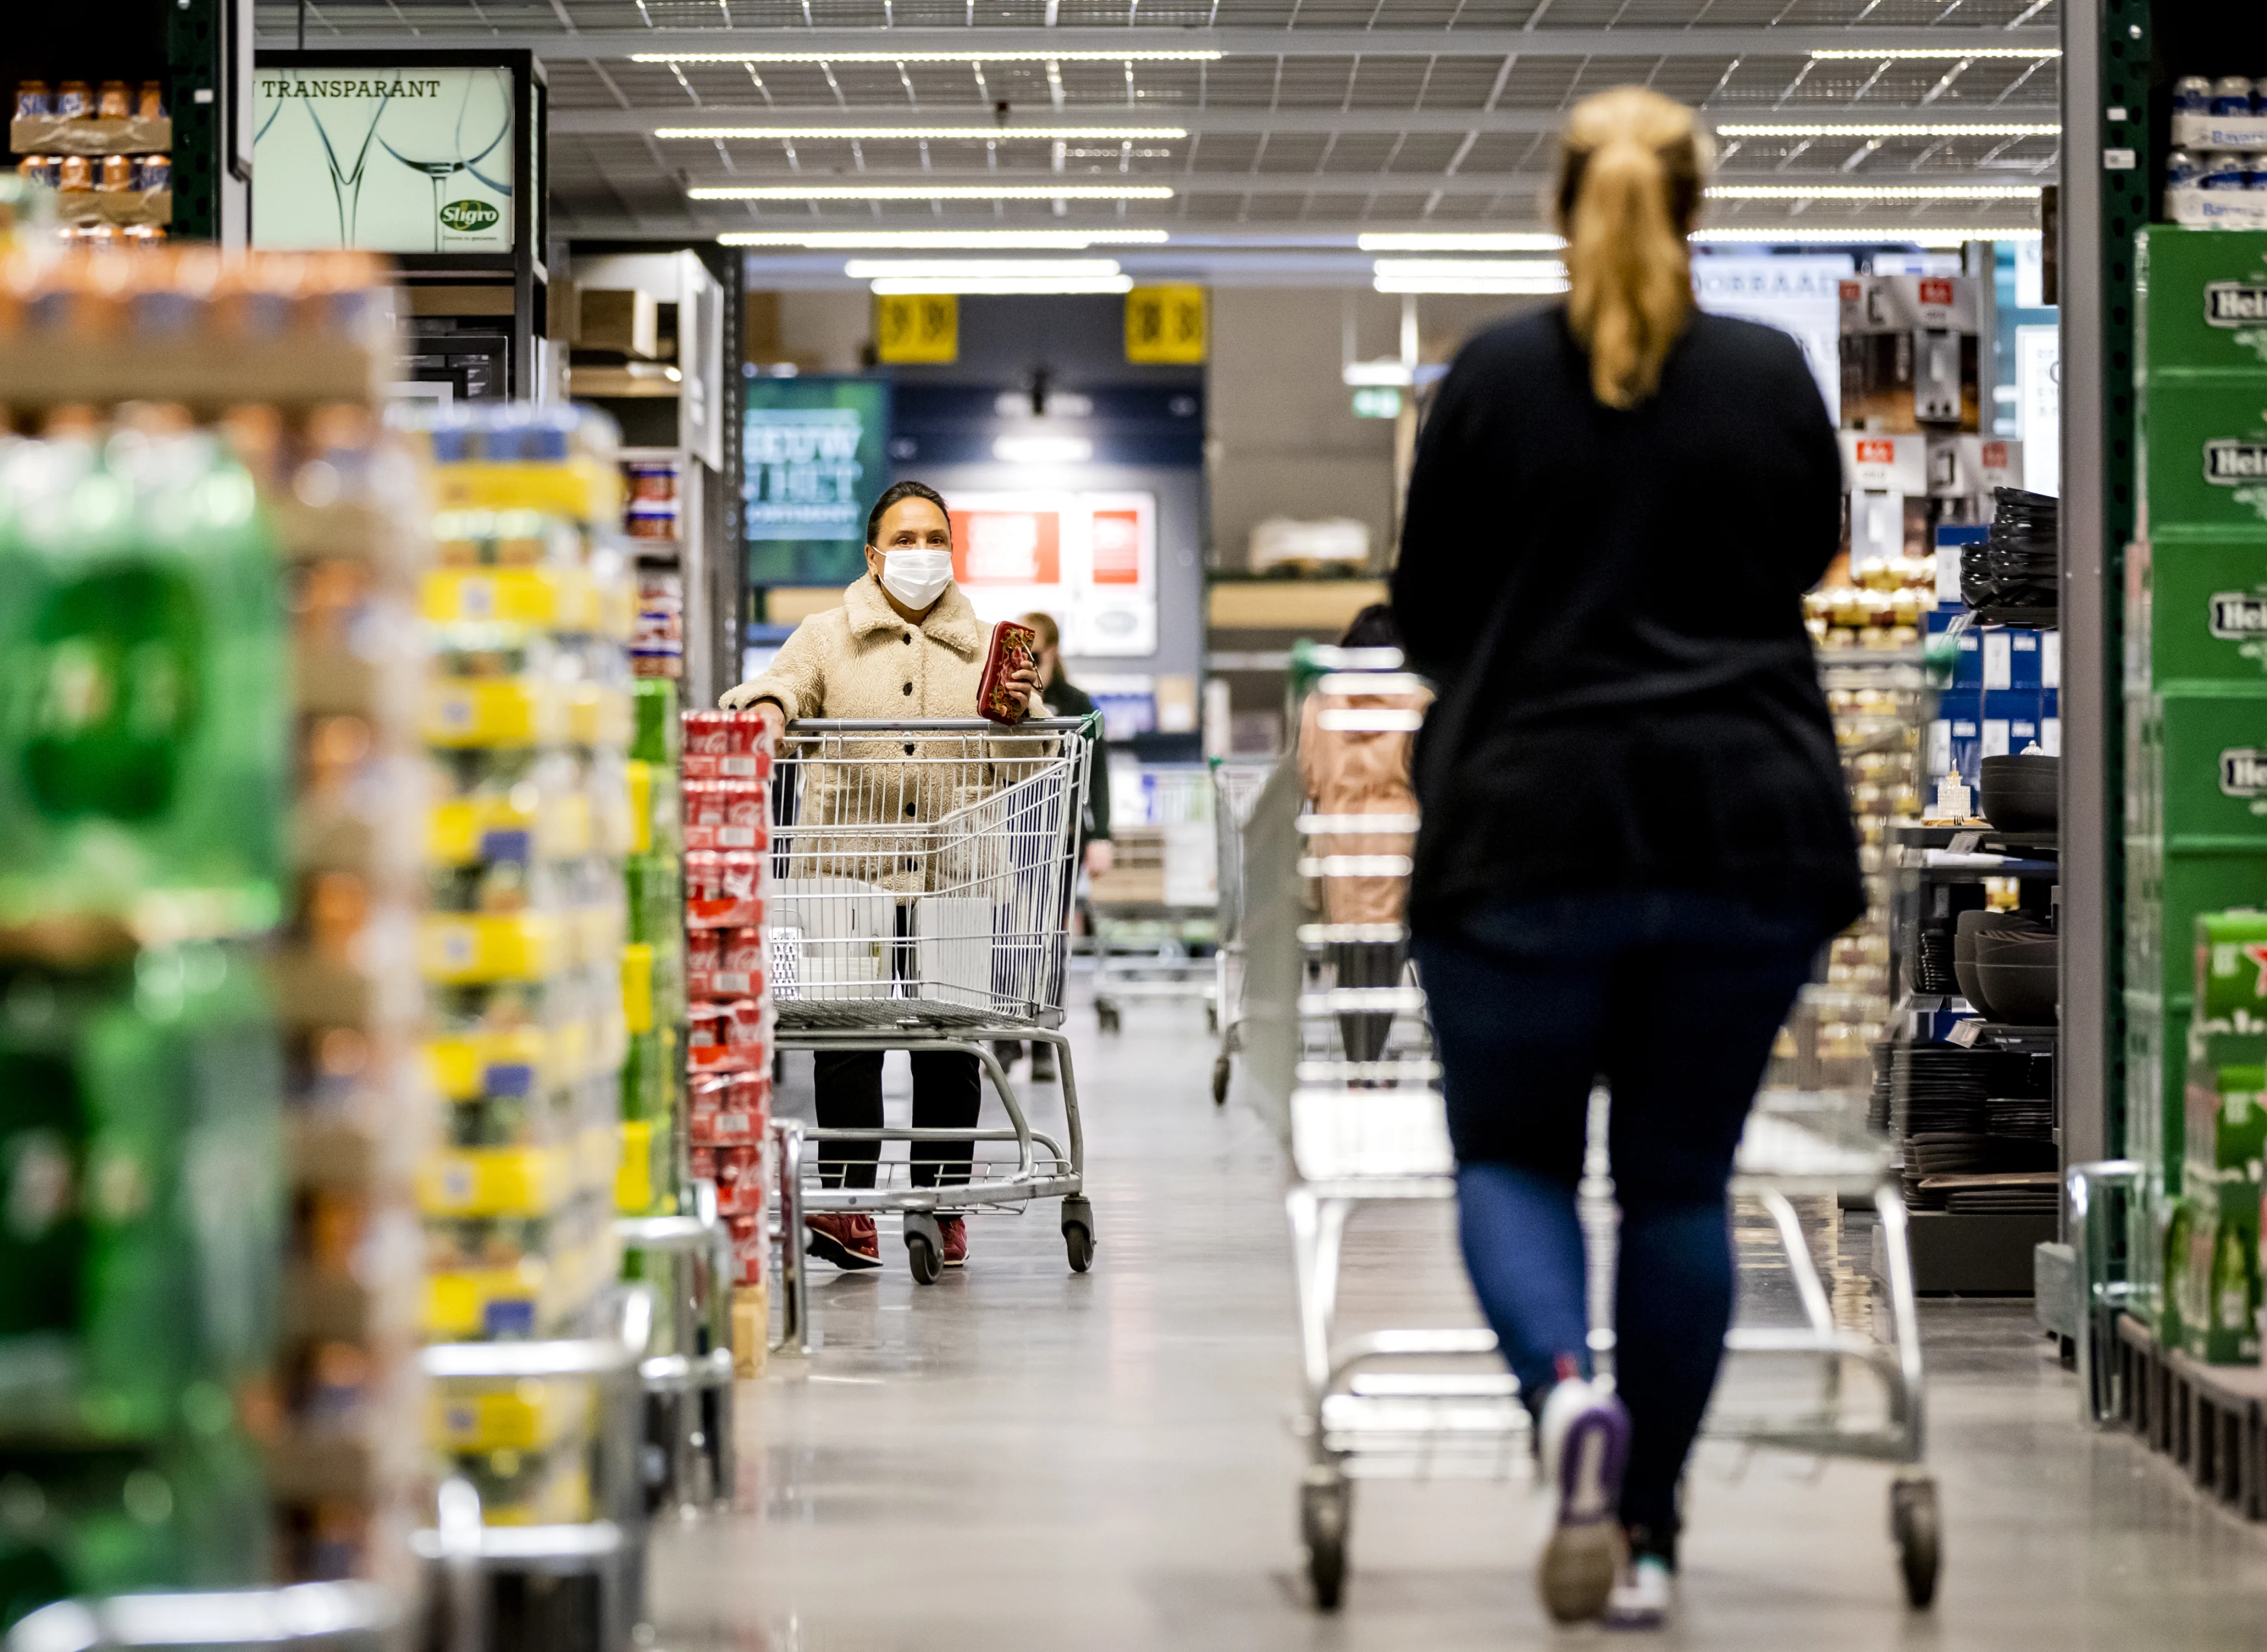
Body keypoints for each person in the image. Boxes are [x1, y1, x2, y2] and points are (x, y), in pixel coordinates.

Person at [1390, 86, 1861, 1630]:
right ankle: (1651, 1535)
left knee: (1514, 1158)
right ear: (1701, 205)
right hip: (1746, 828)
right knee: (1677, 1187)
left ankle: (1564, 1389)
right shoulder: (1768, 376)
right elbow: (1803, 561)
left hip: (1525, 832)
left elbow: (1434, 613)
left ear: (1557, 203)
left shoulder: (1491, 383)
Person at [721, 480, 1043, 1273]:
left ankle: (941, 1203)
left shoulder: (986, 646)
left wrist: (1022, 714)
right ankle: (848, 1204)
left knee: (951, 1043)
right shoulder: (825, 634)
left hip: (953, 870)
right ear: (873, 555)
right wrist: (768, 714)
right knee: (846, 1039)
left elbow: (1020, 767)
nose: (921, 552)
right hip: (845, 870)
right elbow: (781, 685)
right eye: (904, 539)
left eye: (935, 537)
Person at [1296, 605, 1426, 1065]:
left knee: (1349, 952)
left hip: (1340, 838)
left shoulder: (1320, 705)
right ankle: (1377, 1051)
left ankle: (1358, 1060)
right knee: (1389, 949)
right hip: (1399, 837)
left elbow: (1308, 780)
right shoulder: (1419, 703)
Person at [994, 610, 1113, 1085]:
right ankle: (1005, 1036)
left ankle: (1044, 1035)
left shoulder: (1077, 704)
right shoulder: (1001, 702)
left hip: (1059, 838)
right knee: (1003, 935)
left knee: (1050, 938)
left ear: (1054, 652)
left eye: (1035, 652)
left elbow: (1097, 776)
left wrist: (1101, 834)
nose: (1027, 661)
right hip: (1005, 833)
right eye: (1018, 653)